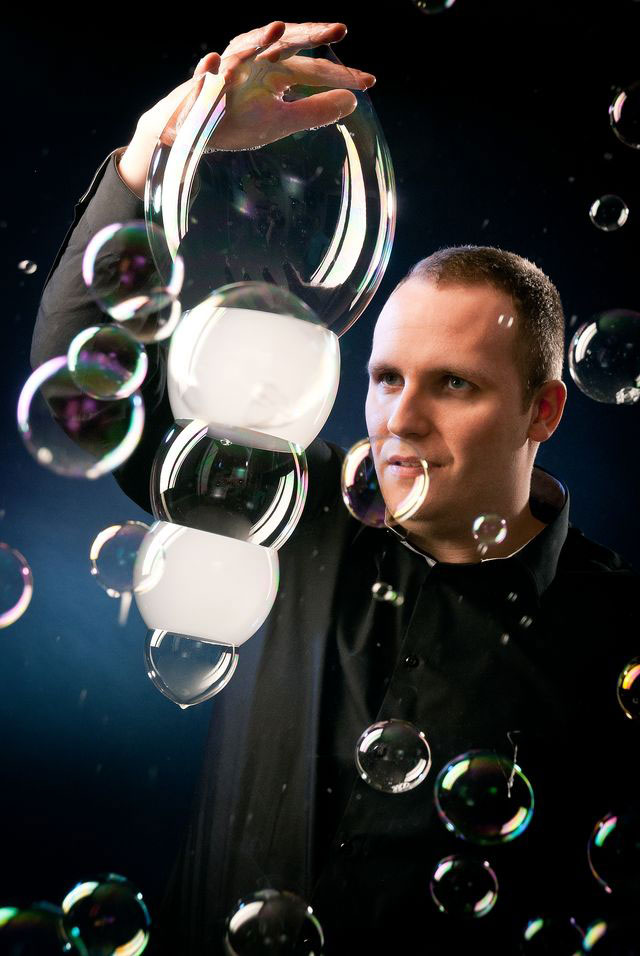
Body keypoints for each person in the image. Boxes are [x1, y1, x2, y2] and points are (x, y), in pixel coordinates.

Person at [30, 19, 639, 956]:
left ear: (544, 410)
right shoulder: (290, 506)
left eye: (455, 384)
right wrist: (158, 151)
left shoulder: (617, 632)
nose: (401, 418)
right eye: (387, 378)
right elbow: (86, 395)